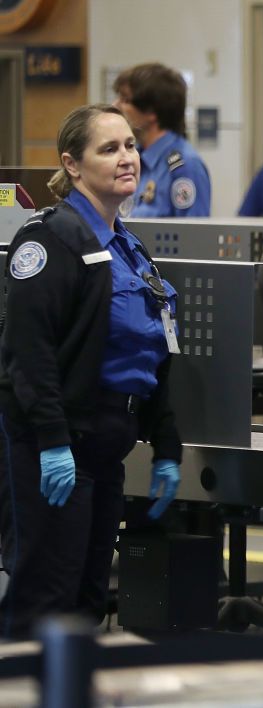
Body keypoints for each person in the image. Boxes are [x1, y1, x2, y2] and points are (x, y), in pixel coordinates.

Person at [0, 104, 182, 638]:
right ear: (72, 165)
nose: (127, 158)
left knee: (86, 599)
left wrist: (166, 442)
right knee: (44, 601)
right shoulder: (51, 239)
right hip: (56, 446)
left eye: (130, 145)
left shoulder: (126, 246)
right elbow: (27, 354)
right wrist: (53, 440)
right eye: (109, 149)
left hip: (107, 446)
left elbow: (150, 347)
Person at [113, 63, 211, 218]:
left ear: (151, 111)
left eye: (125, 99)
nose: (115, 106)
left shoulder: (186, 166)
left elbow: (194, 237)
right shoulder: (134, 158)